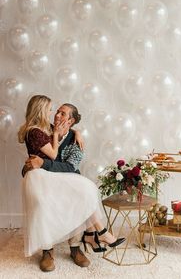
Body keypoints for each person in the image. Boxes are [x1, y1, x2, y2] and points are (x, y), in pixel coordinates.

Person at [19, 95, 125, 272]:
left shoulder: (76, 143)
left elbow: (68, 166)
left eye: (62, 114)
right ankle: (48, 250)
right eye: (56, 111)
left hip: (64, 177)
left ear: (71, 120)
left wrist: (76, 132)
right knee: (44, 202)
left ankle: (77, 246)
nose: (57, 115)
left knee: (82, 194)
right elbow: (43, 148)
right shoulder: (46, 129)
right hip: (44, 180)